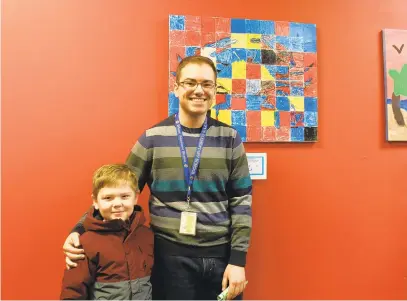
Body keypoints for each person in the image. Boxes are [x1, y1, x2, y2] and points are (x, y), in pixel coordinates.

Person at [63, 55, 252, 300]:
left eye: (207, 84)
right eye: (190, 83)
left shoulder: (230, 138)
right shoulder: (152, 138)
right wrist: (79, 229)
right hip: (169, 260)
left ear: (215, 90)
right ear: (176, 88)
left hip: (222, 259)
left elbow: (242, 202)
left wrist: (238, 260)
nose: (199, 90)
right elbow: (119, 189)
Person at [60, 164, 153, 300]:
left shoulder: (147, 236)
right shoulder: (85, 243)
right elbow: (72, 291)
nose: (117, 203)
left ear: (136, 197)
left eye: (125, 196)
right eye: (108, 198)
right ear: (95, 202)